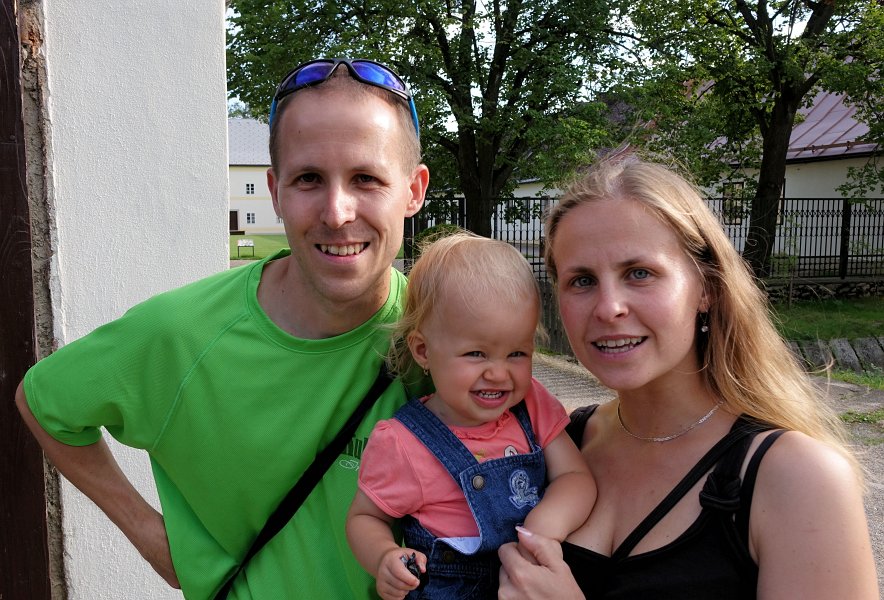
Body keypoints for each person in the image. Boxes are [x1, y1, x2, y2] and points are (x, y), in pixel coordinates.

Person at [14, 58, 430, 599]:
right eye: (308, 179)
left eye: (366, 178)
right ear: (275, 191)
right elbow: (43, 401)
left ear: (413, 190)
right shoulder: (184, 333)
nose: (336, 212)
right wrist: (153, 539)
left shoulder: (440, 334)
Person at [497, 155, 879, 599]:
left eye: (639, 273)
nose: (608, 308)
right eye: (582, 280)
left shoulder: (798, 478)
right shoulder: (560, 443)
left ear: (706, 289)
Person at [346, 233, 596, 599]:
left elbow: (575, 477)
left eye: (517, 353)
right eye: (476, 354)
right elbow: (366, 517)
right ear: (423, 351)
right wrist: (384, 556)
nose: (498, 373)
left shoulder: (531, 404)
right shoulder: (403, 442)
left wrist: (544, 526)